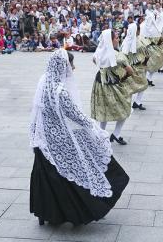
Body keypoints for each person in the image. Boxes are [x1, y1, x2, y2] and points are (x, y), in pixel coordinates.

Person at [29, 49, 130, 226]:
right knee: (89, 163)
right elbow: (75, 115)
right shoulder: (59, 90)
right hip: (59, 139)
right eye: (71, 64)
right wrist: (94, 128)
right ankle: (83, 210)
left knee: (54, 174)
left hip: (43, 139)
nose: (73, 68)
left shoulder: (44, 81)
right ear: (63, 66)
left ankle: (47, 212)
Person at [91, 29, 133, 145]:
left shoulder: (98, 53)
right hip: (114, 85)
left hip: (99, 83)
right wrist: (122, 78)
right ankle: (116, 133)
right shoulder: (118, 56)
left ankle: (102, 135)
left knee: (103, 109)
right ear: (110, 40)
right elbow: (130, 71)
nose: (118, 39)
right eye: (116, 38)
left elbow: (95, 61)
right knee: (124, 108)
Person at [121, 22, 149, 110]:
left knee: (130, 86)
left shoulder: (125, 41)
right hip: (137, 67)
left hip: (127, 67)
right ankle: (137, 102)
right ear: (136, 31)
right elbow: (146, 54)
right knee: (143, 84)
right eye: (138, 30)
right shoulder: (138, 42)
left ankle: (131, 102)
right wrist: (145, 61)